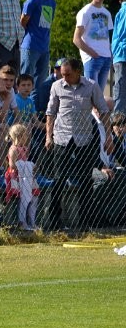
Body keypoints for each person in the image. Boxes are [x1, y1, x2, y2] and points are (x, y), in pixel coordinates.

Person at [46, 57, 111, 230]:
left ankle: (85, 222)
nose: (64, 77)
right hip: (62, 137)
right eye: (62, 74)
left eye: (68, 74)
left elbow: (104, 110)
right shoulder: (56, 86)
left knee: (85, 180)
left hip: (84, 138)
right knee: (59, 179)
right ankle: (54, 220)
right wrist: (48, 136)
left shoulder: (91, 86)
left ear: (77, 72)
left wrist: (109, 137)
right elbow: (50, 112)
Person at [20, 0, 56, 98]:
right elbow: (23, 21)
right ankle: (21, 108)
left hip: (44, 47)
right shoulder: (33, 0)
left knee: (39, 83)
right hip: (30, 46)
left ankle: (33, 108)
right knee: (25, 81)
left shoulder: (52, 2)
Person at [74, 0, 114, 94]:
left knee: (99, 96)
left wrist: (110, 55)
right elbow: (76, 39)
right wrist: (91, 53)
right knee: (90, 94)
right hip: (92, 58)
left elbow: (107, 36)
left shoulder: (107, 13)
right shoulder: (85, 12)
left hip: (106, 57)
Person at [4, 123, 39, 230]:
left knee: (34, 196)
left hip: (25, 176)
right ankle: (22, 221)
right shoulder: (13, 149)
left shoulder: (24, 148)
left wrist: (30, 167)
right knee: (23, 198)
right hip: (16, 177)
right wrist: (25, 166)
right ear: (19, 136)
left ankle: (32, 221)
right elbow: (12, 165)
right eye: (25, 135)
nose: (27, 137)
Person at [113, 0, 126, 114]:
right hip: (122, 55)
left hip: (121, 55)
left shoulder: (121, 12)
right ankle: (118, 117)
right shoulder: (125, 12)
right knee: (121, 87)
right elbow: (122, 37)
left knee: (121, 87)